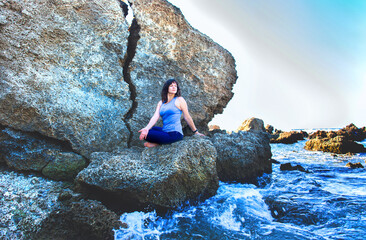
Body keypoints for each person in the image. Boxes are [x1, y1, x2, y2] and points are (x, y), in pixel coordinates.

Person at [138, 79, 204, 147]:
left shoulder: (179, 100)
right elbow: (155, 117)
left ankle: (158, 143)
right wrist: (146, 128)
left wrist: (195, 132)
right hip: (165, 131)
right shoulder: (161, 103)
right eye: (171, 86)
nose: (174, 87)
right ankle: (160, 142)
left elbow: (187, 117)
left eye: (175, 86)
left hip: (175, 134)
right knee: (149, 130)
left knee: (148, 134)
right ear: (167, 88)